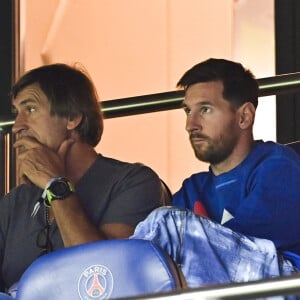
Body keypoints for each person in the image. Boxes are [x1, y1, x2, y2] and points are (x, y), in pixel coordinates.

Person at [131, 58, 300, 292]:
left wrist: (189, 234)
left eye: (205, 110)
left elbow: (248, 251)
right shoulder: (193, 189)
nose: (191, 125)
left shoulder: (277, 165)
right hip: (222, 291)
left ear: (244, 117)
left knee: (166, 222)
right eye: (188, 111)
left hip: (279, 286)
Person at [0, 63, 169, 293]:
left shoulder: (133, 181)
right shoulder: (16, 201)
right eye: (16, 113)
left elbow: (103, 275)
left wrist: (56, 185)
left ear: (72, 117)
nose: (17, 126)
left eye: (30, 110)